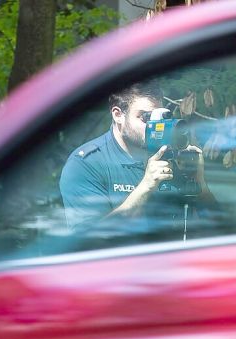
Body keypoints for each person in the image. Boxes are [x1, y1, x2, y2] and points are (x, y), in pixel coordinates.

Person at [58, 83, 217, 237]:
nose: (154, 125)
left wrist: (200, 186)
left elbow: (220, 228)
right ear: (118, 115)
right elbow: (87, 241)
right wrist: (146, 187)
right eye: (146, 117)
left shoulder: (173, 155)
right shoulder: (86, 164)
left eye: (159, 117)